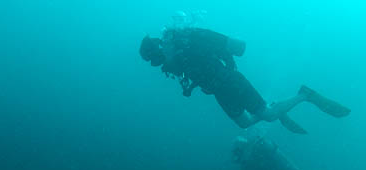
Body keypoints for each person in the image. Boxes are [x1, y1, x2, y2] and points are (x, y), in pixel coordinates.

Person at [139, 27, 350, 133]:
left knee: (266, 116)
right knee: (245, 123)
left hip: (231, 81)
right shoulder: (177, 56)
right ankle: (277, 107)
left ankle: (304, 94)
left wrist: (226, 59)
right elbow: (194, 73)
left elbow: (219, 49)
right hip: (218, 91)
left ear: (158, 47)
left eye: (153, 59)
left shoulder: (184, 44)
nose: (157, 64)